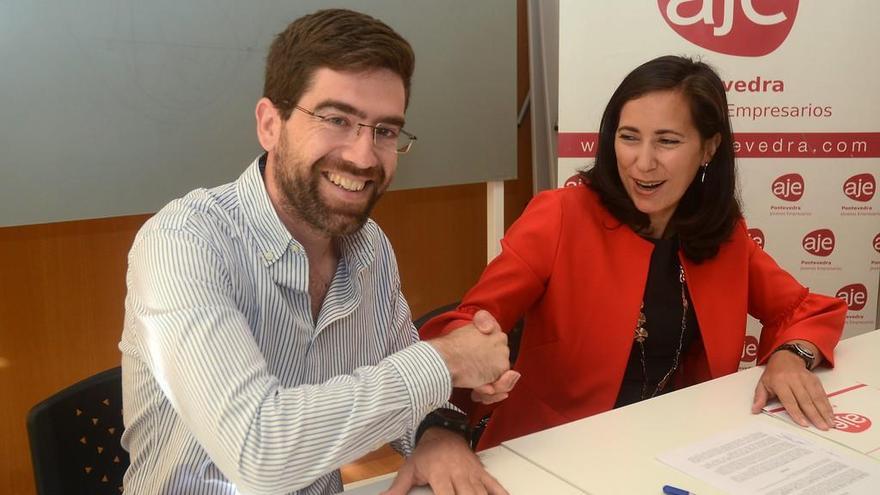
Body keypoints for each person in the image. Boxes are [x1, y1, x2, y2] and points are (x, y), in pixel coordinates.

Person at [119, 9, 512, 495]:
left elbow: (402, 386)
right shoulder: (183, 241)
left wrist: (437, 432)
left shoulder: (369, 247)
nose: (364, 156)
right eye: (336, 119)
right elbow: (260, 454)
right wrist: (446, 361)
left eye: (385, 131)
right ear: (270, 124)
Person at [420, 55, 847, 451]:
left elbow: (804, 311)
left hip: (675, 442)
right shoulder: (560, 216)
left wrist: (793, 356)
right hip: (555, 447)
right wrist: (470, 353)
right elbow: (469, 323)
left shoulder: (722, 234)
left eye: (667, 141)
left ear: (709, 148)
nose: (643, 163)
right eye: (629, 137)